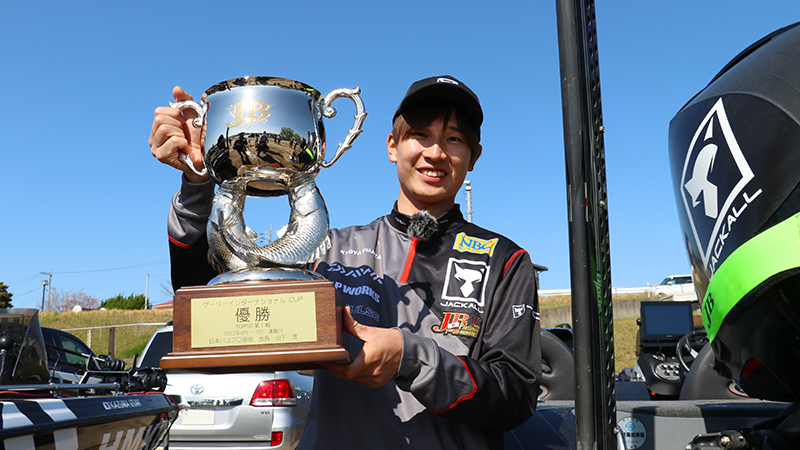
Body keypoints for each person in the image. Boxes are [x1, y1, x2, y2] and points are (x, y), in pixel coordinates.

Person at [149, 75, 541, 450]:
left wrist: (411, 358)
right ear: (392, 146)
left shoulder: (505, 261)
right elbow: (208, 307)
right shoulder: (326, 250)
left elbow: (516, 395)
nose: (435, 152)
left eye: (453, 139)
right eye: (420, 135)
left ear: (473, 157)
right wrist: (198, 182)